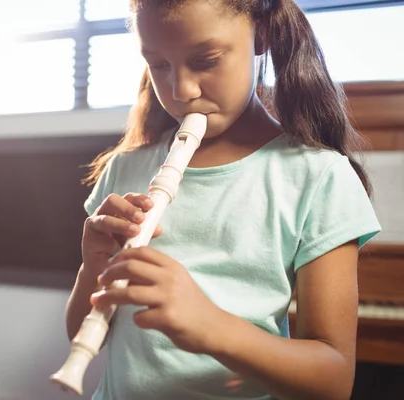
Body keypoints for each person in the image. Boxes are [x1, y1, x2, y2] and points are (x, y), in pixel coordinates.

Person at [64, 0, 381, 399]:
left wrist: (210, 326)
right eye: (158, 64)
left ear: (261, 35)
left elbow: (333, 382)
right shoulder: (125, 168)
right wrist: (92, 266)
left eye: (206, 60)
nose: (182, 91)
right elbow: (82, 334)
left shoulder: (318, 178)